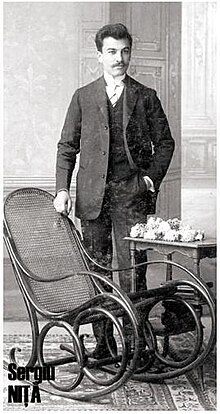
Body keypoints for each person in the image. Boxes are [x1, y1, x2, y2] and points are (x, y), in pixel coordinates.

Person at [54, 23, 175, 357]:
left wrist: (149, 179)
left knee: (134, 274)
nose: (118, 58)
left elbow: (165, 143)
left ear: (130, 53)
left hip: (131, 196)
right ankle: (103, 346)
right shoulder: (83, 96)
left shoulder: (145, 97)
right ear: (99, 56)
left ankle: (139, 347)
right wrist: (62, 190)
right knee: (97, 270)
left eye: (124, 51)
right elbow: (67, 147)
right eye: (111, 52)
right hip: (92, 199)